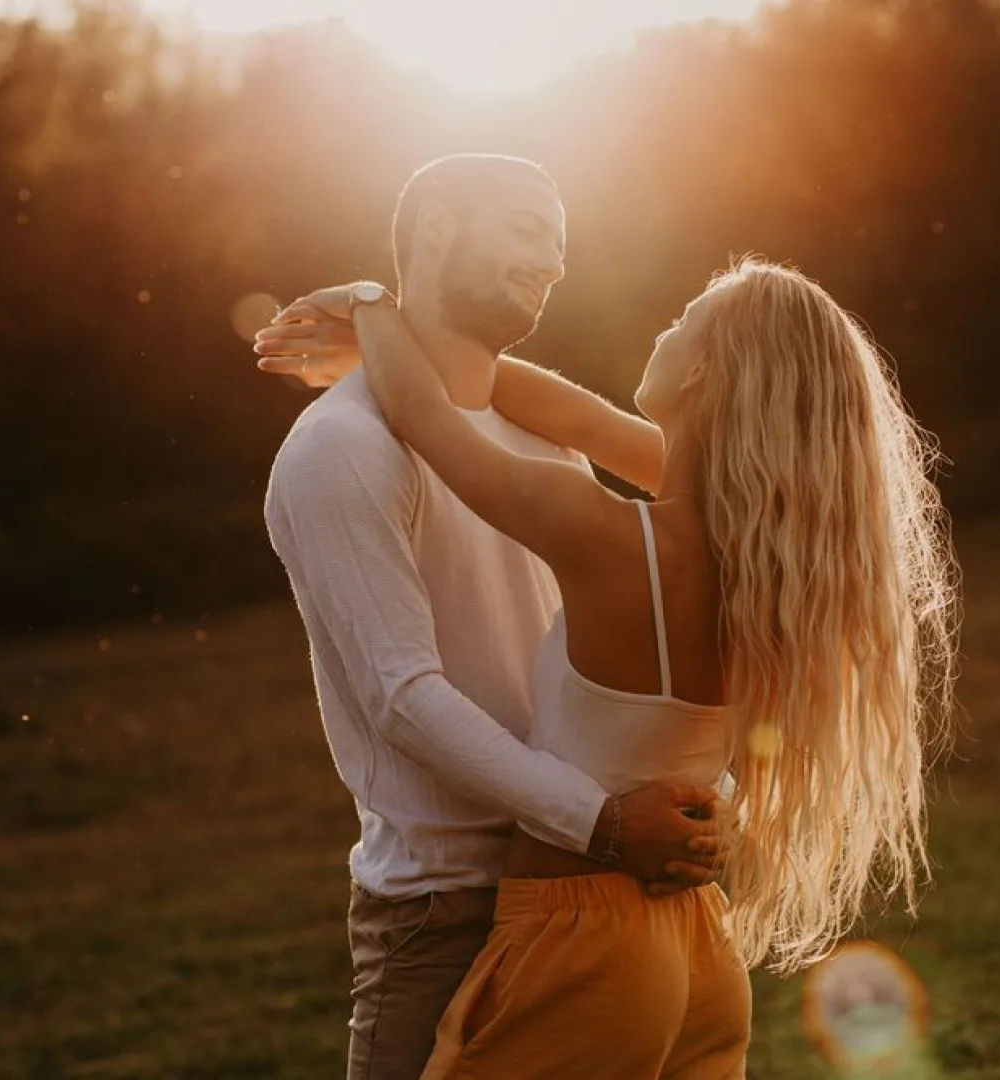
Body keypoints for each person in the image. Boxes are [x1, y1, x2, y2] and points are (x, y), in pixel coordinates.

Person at [258, 243, 961, 1074]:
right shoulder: (768, 558)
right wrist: (400, 341)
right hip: (692, 939)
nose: (663, 330)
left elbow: (426, 418)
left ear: (699, 374)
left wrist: (372, 302)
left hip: (581, 935)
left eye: (682, 322)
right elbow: (573, 420)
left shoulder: (601, 532)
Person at [259, 153, 723, 1080]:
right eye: (525, 230)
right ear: (435, 226)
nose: (552, 262)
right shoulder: (341, 450)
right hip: (452, 901)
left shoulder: (538, 436)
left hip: (600, 894)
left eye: (560, 248)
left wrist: (368, 307)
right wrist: (601, 820)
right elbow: (402, 697)